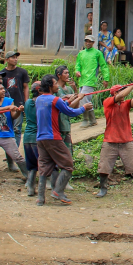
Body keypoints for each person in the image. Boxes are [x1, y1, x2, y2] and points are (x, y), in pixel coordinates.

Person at [35, 74, 92, 205]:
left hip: (41, 138)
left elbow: (56, 108)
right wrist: (84, 108)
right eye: (55, 84)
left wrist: (67, 101)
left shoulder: (39, 99)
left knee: (43, 167)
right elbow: (70, 112)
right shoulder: (55, 99)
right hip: (53, 138)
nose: (57, 86)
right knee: (68, 164)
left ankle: (40, 198)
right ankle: (58, 191)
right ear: (50, 86)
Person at [96, 80, 133, 199]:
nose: (123, 94)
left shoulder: (125, 104)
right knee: (104, 168)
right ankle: (103, 189)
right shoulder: (107, 102)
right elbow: (121, 95)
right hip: (110, 141)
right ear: (115, 93)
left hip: (126, 141)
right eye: (121, 91)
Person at [55, 65, 85, 190]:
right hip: (57, 125)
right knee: (56, 154)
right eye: (65, 73)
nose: (68, 75)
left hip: (66, 125)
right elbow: (66, 106)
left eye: (68, 73)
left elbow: (73, 107)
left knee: (68, 153)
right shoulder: (55, 89)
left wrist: (75, 91)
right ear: (59, 75)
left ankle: (64, 181)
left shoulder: (68, 89)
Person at [1, 51, 29, 167]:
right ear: (7, 59)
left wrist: (26, 102)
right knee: (7, 129)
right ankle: (9, 154)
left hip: (18, 104)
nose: (15, 59)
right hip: (6, 106)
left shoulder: (22, 72)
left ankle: (14, 154)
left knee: (17, 129)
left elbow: (26, 87)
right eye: (12, 58)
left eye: (16, 57)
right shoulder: (2, 74)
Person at [75, 34, 110, 127]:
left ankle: (85, 119)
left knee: (83, 98)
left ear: (93, 43)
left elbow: (103, 66)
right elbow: (77, 64)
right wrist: (77, 71)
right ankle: (92, 120)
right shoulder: (81, 53)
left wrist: (106, 78)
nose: (88, 43)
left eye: (90, 41)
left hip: (91, 80)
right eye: (86, 41)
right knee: (85, 99)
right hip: (82, 80)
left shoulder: (97, 53)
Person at [22, 81, 41, 197]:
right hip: (36, 137)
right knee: (43, 164)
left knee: (32, 165)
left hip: (27, 137)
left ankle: (30, 188)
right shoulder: (41, 102)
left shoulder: (28, 102)